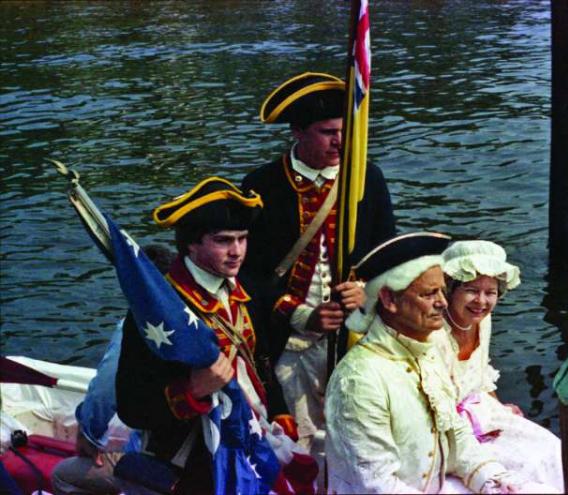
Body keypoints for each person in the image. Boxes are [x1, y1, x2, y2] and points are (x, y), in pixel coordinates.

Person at [116, 177, 312, 494]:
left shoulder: (246, 287)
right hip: (192, 462)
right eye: (223, 241)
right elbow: (131, 406)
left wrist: (279, 411)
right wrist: (191, 390)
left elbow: (260, 362)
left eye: (242, 239)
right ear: (191, 243)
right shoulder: (158, 310)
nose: (237, 252)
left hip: (254, 440)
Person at [239, 72, 396, 464]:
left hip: (355, 338)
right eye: (328, 132)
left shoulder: (367, 178)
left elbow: (388, 255)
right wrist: (300, 313)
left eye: (345, 131)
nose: (340, 142)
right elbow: (245, 274)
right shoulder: (261, 186)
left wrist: (367, 291)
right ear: (297, 132)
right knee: (300, 445)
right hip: (288, 345)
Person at [325, 232, 522, 494]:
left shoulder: (425, 354)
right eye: (429, 294)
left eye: (442, 290)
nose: (442, 302)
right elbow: (377, 485)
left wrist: (493, 481)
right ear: (389, 300)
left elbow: (456, 436)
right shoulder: (359, 380)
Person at [439, 240, 564, 493]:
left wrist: (498, 407)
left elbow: (480, 373)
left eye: (491, 292)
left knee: (551, 448)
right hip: (442, 427)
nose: (481, 302)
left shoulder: (482, 320)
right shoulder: (433, 332)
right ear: (451, 289)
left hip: (478, 410)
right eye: (471, 290)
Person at [52, 245, 175, 495]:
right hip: (213, 457)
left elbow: (107, 388)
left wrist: (90, 434)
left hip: (168, 467)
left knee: (63, 475)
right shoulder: (205, 320)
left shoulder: (139, 326)